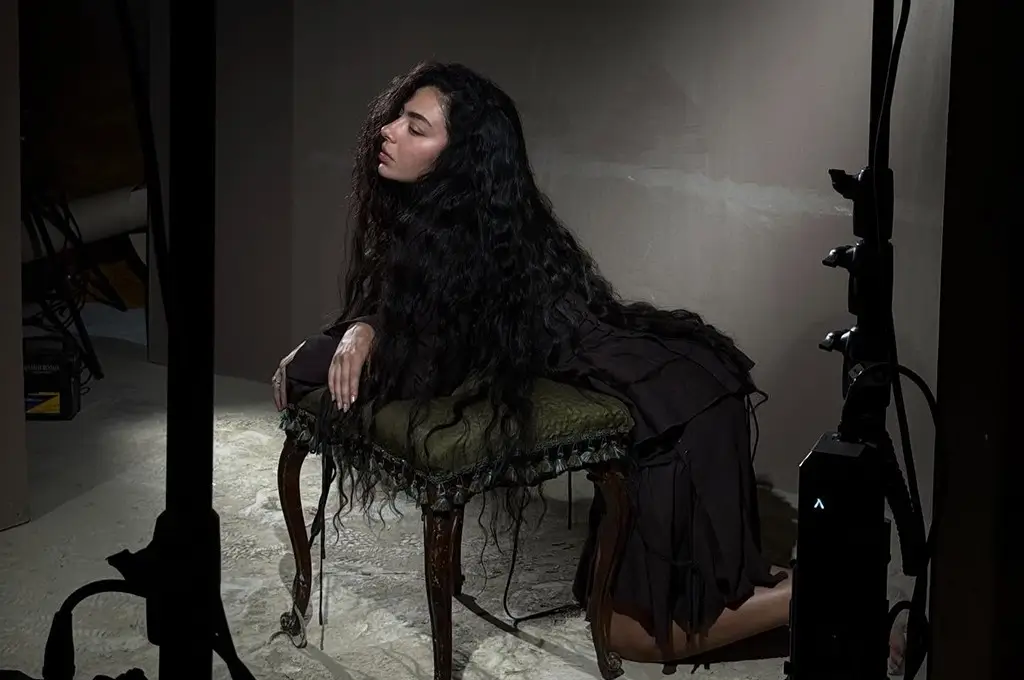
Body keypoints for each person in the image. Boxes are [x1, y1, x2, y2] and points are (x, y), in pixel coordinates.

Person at [271, 61, 796, 663]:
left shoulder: (463, 240)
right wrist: (362, 325)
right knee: (661, 599)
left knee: (624, 634)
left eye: (416, 128)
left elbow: (419, 366)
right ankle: (789, 593)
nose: (388, 131)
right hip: (665, 383)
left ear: (458, 158)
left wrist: (319, 351)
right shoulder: (447, 220)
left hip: (672, 416)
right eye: (397, 117)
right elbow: (399, 308)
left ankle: (809, 597)